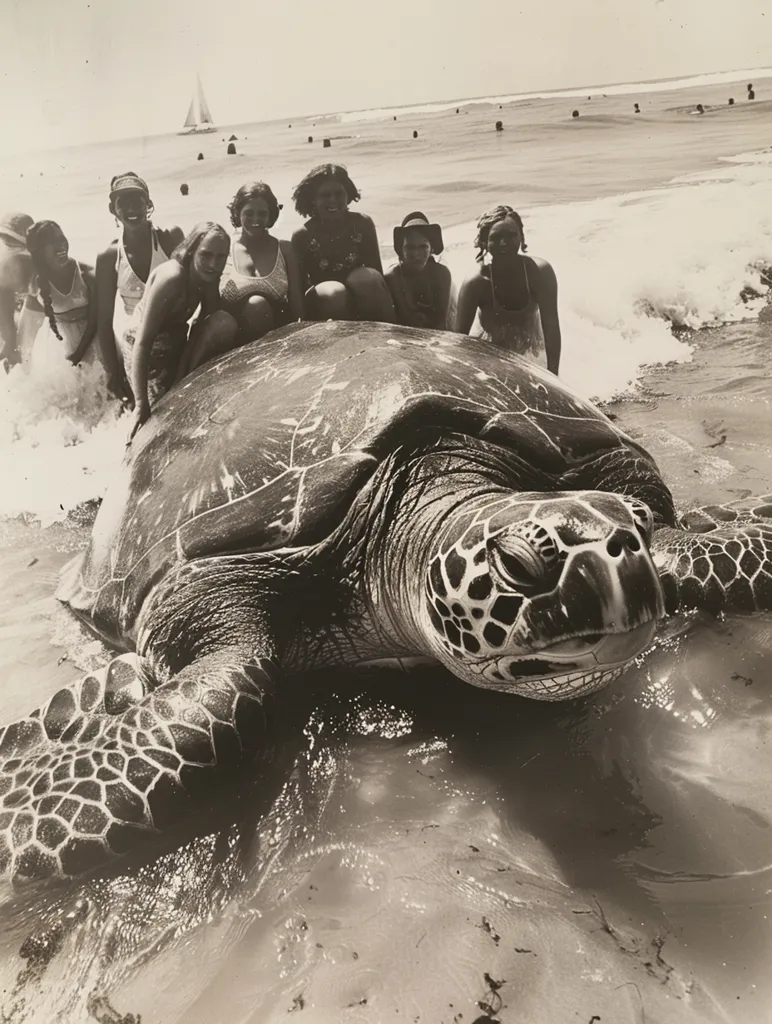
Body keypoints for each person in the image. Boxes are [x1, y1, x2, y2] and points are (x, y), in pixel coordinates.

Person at [126, 222, 237, 438]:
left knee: (224, 322)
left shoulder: (209, 278)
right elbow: (143, 340)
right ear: (191, 250)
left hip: (174, 342)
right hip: (144, 346)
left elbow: (204, 327)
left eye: (221, 256)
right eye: (206, 255)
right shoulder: (172, 277)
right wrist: (141, 403)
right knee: (158, 425)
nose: (213, 264)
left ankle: (181, 381)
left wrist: (182, 377)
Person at [95, 173, 183, 400]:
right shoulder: (109, 256)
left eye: (137, 200)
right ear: (113, 209)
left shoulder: (169, 238)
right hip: (136, 345)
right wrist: (113, 372)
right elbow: (103, 321)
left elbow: (191, 290)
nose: (131, 207)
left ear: (148, 204)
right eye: (122, 202)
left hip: (174, 335)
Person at [455, 206, 561, 374]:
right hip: (490, 357)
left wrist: (553, 373)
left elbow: (552, 327)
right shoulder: (476, 282)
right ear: (484, 242)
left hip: (532, 352)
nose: (504, 243)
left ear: (522, 237)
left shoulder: (539, 272)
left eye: (511, 236)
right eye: (496, 238)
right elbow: (459, 339)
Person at [290, 164, 394, 322]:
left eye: (339, 194)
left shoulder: (362, 224)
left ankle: (387, 332)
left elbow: (376, 273)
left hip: (359, 295)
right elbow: (298, 287)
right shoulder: (302, 235)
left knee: (366, 278)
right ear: (313, 200)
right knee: (335, 292)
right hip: (326, 299)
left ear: (349, 195)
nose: (333, 200)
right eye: (325, 195)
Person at [220, 182, 304, 341]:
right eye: (249, 213)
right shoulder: (224, 247)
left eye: (262, 213)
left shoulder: (285, 249)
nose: (256, 219)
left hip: (276, 333)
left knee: (257, 305)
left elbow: (296, 300)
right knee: (256, 304)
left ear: (271, 215)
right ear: (237, 213)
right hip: (235, 334)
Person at [16, 220, 97, 367]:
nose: (61, 245)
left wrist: (78, 354)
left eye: (61, 238)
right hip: (61, 351)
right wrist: (22, 368)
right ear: (39, 251)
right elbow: (26, 335)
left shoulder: (87, 274)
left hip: (95, 344)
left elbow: (98, 321)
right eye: (52, 241)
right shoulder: (37, 284)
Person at [385, 212, 452, 330]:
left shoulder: (442, 274)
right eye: (410, 247)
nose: (416, 254)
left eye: (423, 247)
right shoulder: (392, 277)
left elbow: (442, 323)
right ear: (401, 249)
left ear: (431, 248)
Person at [0, 212, 34, 367]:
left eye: (12, 241)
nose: (9, 245)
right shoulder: (5, 267)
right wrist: (10, 344)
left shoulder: (41, 263)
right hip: (11, 324)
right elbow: (4, 313)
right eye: (6, 241)